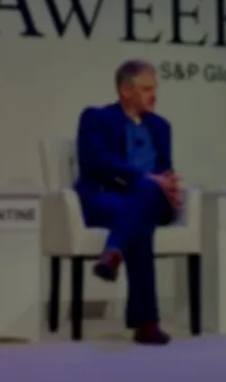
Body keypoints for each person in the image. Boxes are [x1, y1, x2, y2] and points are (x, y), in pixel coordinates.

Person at [77, 60, 181, 345]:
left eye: (154, 88)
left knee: (146, 196)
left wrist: (168, 184)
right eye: (146, 89)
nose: (154, 95)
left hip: (150, 199)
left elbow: (165, 168)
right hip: (106, 197)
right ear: (125, 90)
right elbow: (97, 161)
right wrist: (146, 178)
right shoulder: (96, 118)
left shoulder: (161, 126)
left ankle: (113, 252)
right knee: (140, 223)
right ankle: (146, 323)